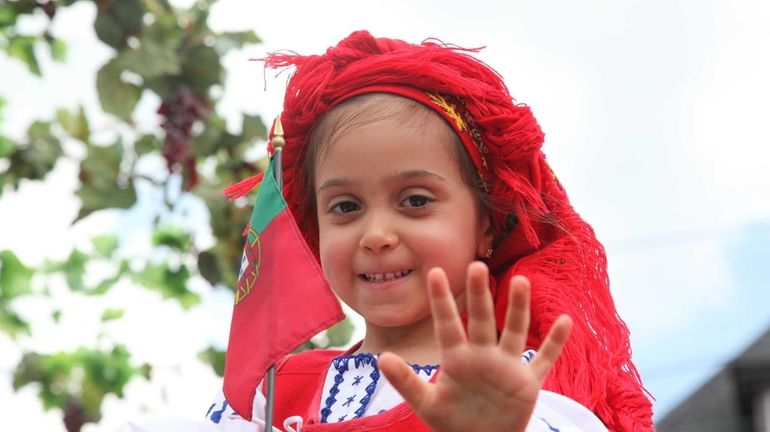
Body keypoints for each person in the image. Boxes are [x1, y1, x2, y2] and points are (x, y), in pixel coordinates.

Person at [194, 30, 653, 432]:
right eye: (346, 206)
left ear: (486, 226)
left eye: (415, 201)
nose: (376, 234)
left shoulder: (517, 390)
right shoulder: (265, 397)